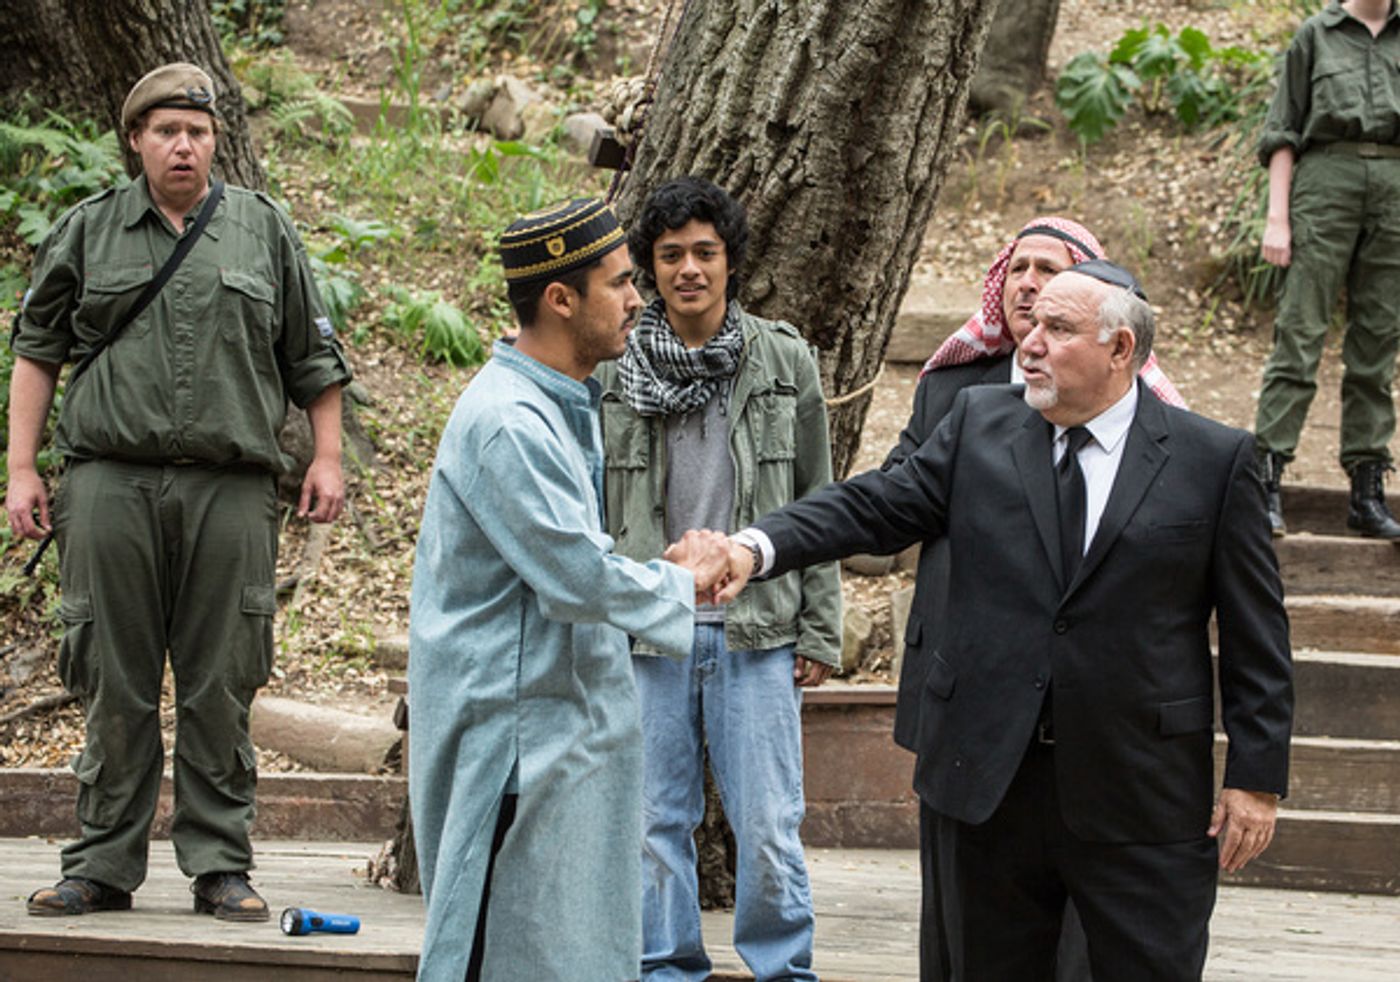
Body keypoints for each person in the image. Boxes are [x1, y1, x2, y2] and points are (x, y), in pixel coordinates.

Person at [718, 261, 1294, 981]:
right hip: (989, 783)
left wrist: (1256, 778)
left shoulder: (1214, 460)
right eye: (1033, 324)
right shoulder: (979, 425)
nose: (1031, 343)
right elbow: (873, 506)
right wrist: (755, 545)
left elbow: (1257, 635)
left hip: (1140, 794)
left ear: (1120, 349)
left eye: (1059, 329)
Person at [7, 63, 351, 922]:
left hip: (232, 489)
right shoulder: (89, 232)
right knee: (112, 676)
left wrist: (327, 457)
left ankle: (220, 865)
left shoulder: (263, 232)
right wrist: (21, 469)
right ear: (136, 142)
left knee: (220, 679)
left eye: (196, 130)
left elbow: (312, 357)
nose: (183, 144)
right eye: (165, 130)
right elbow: (38, 348)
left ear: (215, 139)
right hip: (108, 482)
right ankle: (101, 864)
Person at [407, 197, 731, 982]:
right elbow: (576, 573)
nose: (637, 301)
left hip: (564, 730)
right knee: (510, 949)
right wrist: (680, 582)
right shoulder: (507, 421)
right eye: (621, 284)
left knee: (570, 949)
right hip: (514, 740)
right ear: (561, 299)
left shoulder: (557, 399)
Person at [885, 217, 1186, 981]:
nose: (1028, 284)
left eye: (1050, 271)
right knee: (959, 916)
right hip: (961, 680)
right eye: (1018, 268)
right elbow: (888, 501)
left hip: (1081, 711)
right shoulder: (954, 390)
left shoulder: (1156, 429)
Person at [595, 177, 841, 981]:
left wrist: (819, 629)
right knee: (652, 818)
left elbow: (818, 498)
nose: (689, 269)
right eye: (670, 256)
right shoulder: (616, 368)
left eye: (705, 252)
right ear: (650, 268)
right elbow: (593, 507)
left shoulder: (781, 359)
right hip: (650, 631)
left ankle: (784, 970)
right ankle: (664, 967)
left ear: (731, 262)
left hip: (759, 630)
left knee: (768, 820)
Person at [1253, 0, 1400, 539]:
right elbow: (1283, 132)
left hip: (1394, 188)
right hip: (1325, 184)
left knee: (1379, 342)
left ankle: (1367, 489)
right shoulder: (1316, 35)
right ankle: (1267, 479)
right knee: (1300, 332)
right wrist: (1277, 219)